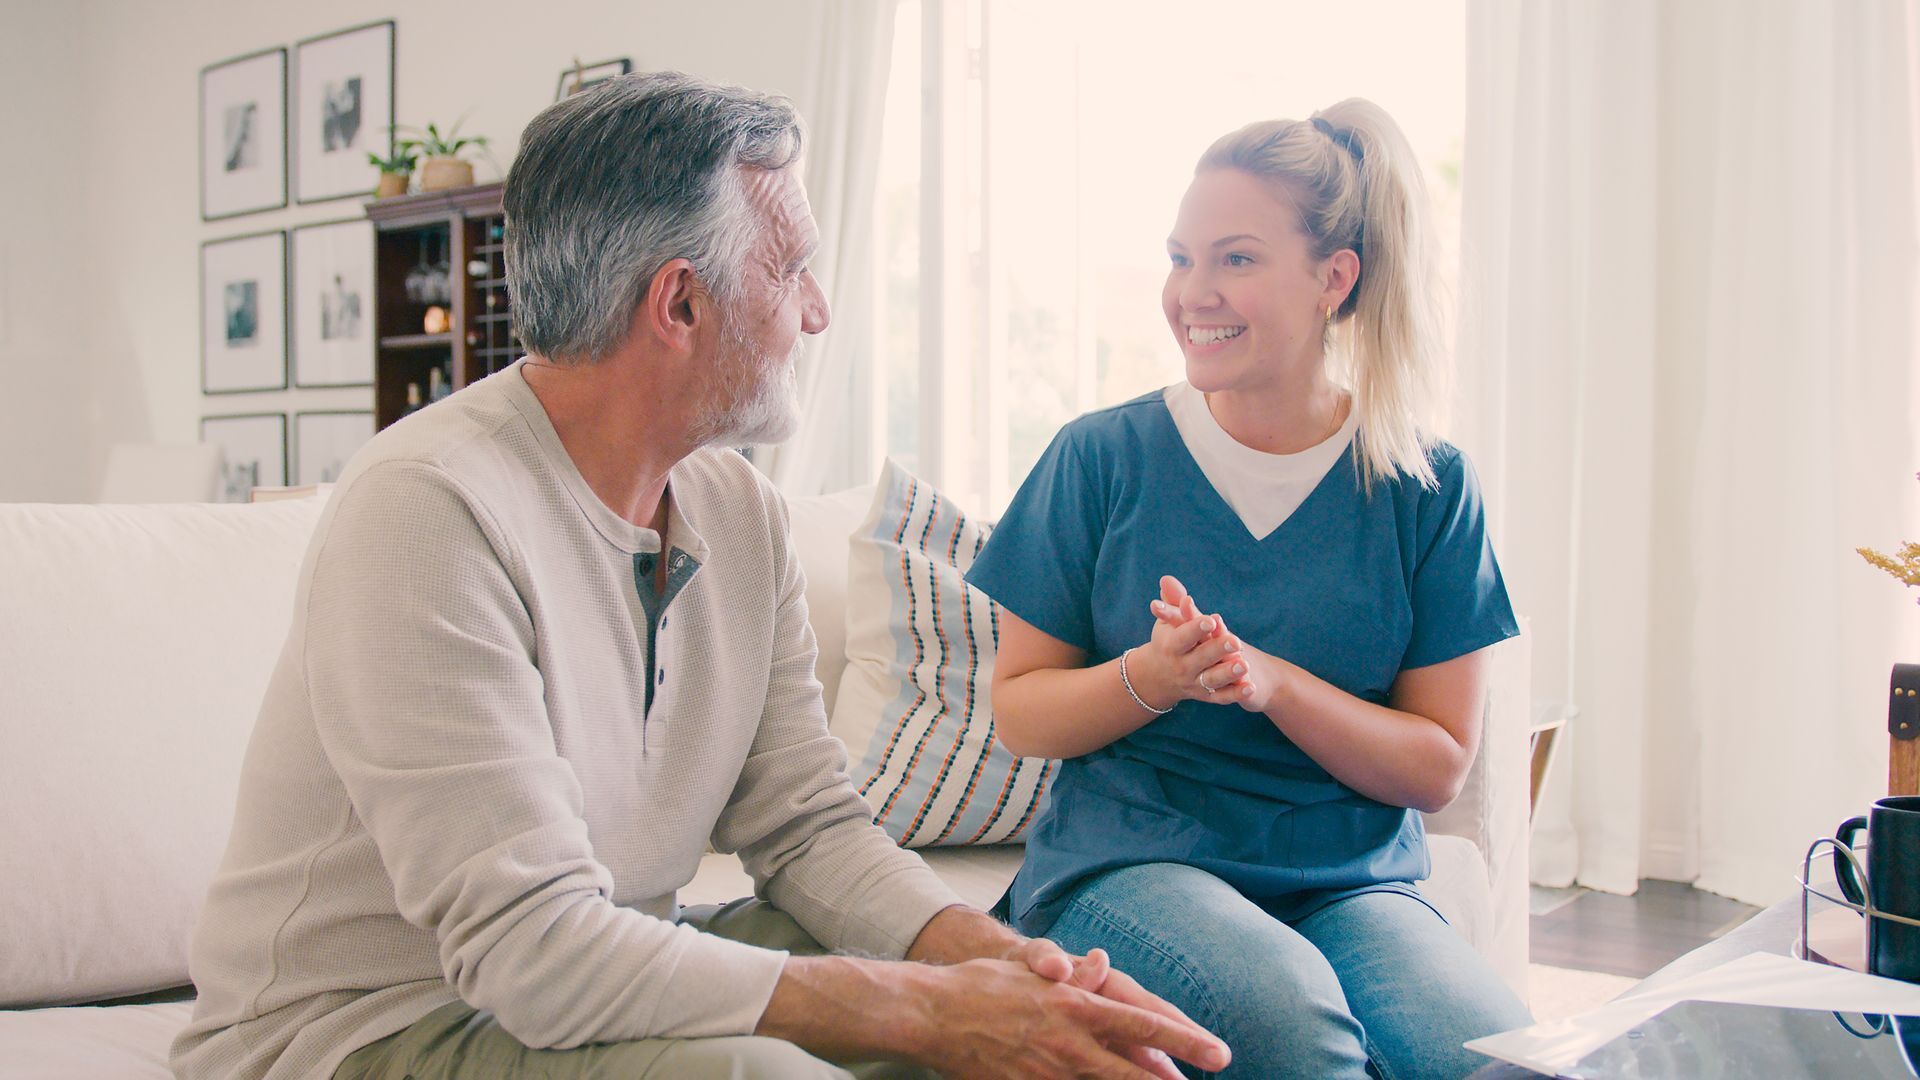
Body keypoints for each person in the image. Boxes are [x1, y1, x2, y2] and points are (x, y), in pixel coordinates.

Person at [171, 72, 1229, 1080]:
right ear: (679, 305)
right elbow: (532, 953)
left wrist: (999, 968)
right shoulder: (428, 508)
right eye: (790, 269)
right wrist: (930, 1012)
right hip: (368, 1027)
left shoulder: (738, 513)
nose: (816, 312)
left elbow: (808, 826)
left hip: (604, 958)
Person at [966, 99, 1533, 1079]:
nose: (1193, 291)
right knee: (1290, 1026)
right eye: (1181, 257)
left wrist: (1272, 683)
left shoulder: (1426, 488)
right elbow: (1020, 714)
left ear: (1333, 279)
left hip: (1353, 885)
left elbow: (1438, 765)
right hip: (1130, 868)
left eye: (1234, 259)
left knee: (1491, 1058)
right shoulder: (1100, 459)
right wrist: (1149, 677)